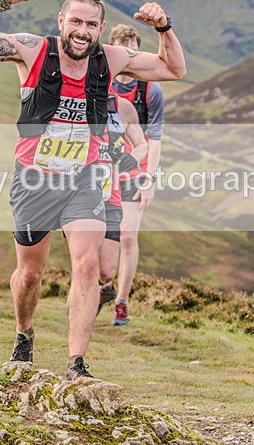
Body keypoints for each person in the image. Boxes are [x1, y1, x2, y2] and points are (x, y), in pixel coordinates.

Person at [0, 0, 185, 380]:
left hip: (86, 179)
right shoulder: (32, 49)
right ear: (61, 20)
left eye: (90, 24)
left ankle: (76, 363)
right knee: (30, 274)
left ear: (101, 27)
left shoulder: (110, 58)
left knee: (88, 264)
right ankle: (24, 334)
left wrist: (164, 27)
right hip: (35, 180)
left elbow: (173, 69)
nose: (82, 30)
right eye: (75, 20)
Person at [108, 24, 166, 326]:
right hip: (101, 170)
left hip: (135, 170)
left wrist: (149, 180)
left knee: (128, 236)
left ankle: (121, 301)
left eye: (135, 51)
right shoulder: (100, 84)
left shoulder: (150, 90)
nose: (130, 57)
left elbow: (154, 139)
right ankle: (102, 286)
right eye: (124, 51)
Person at [97, 93, 148, 316]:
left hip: (124, 180)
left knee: (125, 239)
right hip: (84, 186)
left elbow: (150, 141)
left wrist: (146, 174)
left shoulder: (145, 92)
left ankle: (118, 298)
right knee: (85, 256)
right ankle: (94, 295)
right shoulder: (77, 85)